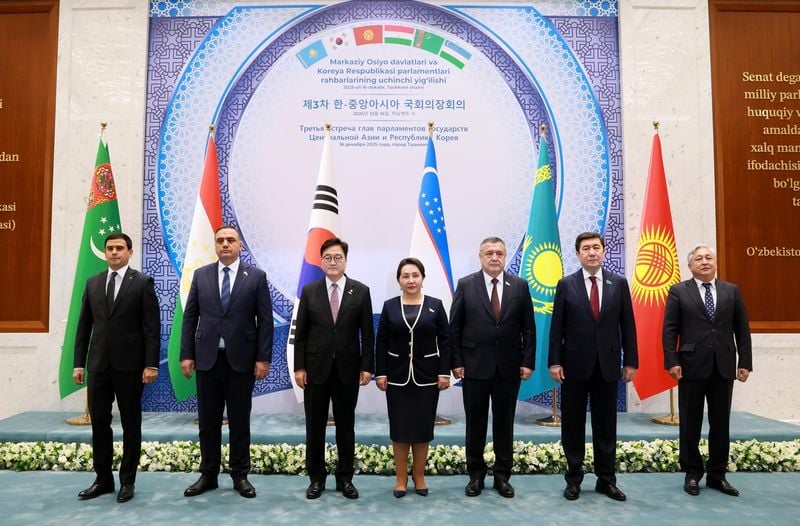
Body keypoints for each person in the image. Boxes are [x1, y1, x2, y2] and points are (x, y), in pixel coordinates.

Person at [180, 225, 273, 499]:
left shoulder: (255, 277)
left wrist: (263, 358)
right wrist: (186, 354)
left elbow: (265, 320)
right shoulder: (201, 275)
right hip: (207, 360)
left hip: (241, 361)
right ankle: (208, 474)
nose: (225, 244)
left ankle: (240, 475)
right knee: (208, 422)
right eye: (220, 240)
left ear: (240, 245)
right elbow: (190, 317)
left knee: (239, 420)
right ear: (215, 245)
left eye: (230, 240)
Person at [549, 232, 638, 502]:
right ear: (578, 254)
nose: (591, 252)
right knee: (573, 425)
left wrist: (631, 361)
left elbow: (628, 325)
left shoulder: (618, 283)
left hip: (608, 365)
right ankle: (573, 479)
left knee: (606, 425)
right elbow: (557, 327)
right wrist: (554, 361)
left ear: (603, 251)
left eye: (596, 247)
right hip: (574, 366)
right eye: (586, 248)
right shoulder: (566, 284)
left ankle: (606, 480)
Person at [73, 233, 160, 503]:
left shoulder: (142, 282)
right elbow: (83, 326)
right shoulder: (93, 282)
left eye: (119, 248)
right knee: (99, 423)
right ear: (105, 252)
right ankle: (103, 479)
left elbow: (152, 328)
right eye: (109, 248)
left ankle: (127, 481)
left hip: (130, 367)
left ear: (130, 253)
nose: (114, 252)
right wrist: (78, 364)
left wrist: (151, 364)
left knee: (131, 424)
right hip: (98, 366)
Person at [663, 244, 752, 497]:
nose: (704, 262)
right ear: (690, 265)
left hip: (723, 366)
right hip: (690, 366)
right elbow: (670, 330)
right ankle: (692, 473)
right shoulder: (679, 291)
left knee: (720, 422)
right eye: (699, 259)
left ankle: (717, 474)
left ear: (716, 262)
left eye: (709, 258)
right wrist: (672, 361)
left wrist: (745, 362)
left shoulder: (731, 291)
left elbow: (742, 329)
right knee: (690, 422)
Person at [450, 236, 535, 499]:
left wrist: (527, 361)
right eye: (489, 253)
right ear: (481, 256)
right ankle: (475, 475)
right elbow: (455, 327)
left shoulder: (519, 286)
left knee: (504, 424)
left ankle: (502, 476)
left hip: (509, 368)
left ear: (505, 256)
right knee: (475, 424)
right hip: (473, 366)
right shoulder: (466, 284)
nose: (495, 257)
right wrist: (456, 362)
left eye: (499, 253)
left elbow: (529, 328)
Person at [293, 237, 374, 500]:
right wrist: (299, 367)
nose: (333, 261)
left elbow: (367, 334)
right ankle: (316, 478)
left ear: (345, 260)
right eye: (328, 257)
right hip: (315, 370)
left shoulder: (360, 291)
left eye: (338, 257)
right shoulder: (309, 291)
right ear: (321, 261)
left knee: (345, 426)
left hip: (348, 370)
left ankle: (345, 478)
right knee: (315, 427)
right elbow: (301, 334)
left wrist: (367, 366)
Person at [375, 258, 451, 498]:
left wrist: (444, 372)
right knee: (399, 429)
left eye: (415, 275)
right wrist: (381, 372)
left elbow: (445, 341)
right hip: (396, 378)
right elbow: (381, 342)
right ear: (398, 280)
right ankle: (400, 478)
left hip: (427, 378)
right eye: (405, 276)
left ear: (423, 278)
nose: (411, 280)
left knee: (422, 429)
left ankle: (419, 476)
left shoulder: (436, 305)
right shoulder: (389, 306)